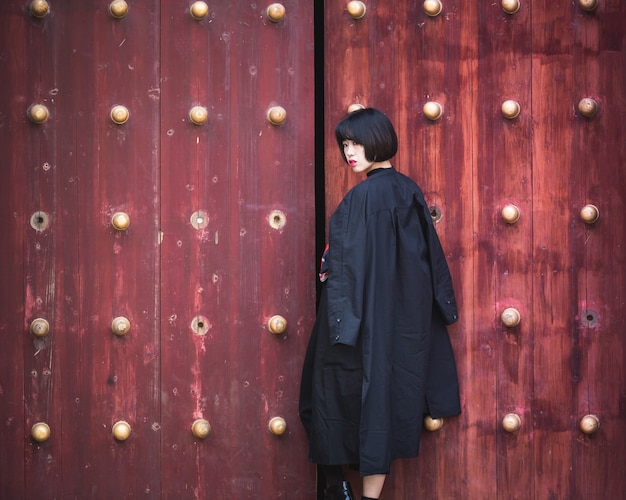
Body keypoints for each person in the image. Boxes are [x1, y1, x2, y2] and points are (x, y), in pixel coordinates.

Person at [299, 108, 461, 500]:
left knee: (321, 392)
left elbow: (343, 268)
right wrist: (440, 307)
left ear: (378, 139)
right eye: (344, 146)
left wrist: (340, 323)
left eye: (355, 143)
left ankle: (335, 484)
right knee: (382, 405)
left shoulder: (360, 198)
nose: (349, 153)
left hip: (356, 317)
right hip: (400, 318)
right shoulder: (408, 190)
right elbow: (430, 261)